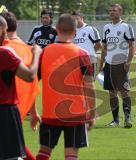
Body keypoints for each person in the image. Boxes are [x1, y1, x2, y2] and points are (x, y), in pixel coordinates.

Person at [32, 14, 96, 160]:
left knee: (43, 153)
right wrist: (92, 112)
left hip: (49, 114)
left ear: (57, 29)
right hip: (75, 114)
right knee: (71, 154)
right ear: (75, 32)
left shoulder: (45, 52)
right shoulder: (82, 54)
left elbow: (32, 83)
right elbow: (89, 86)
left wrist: (34, 111)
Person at [0, 15, 42, 160]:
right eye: (4, 31)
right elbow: (30, 76)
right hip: (5, 112)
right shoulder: (6, 53)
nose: (6, 35)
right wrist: (36, 54)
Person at [99, 3, 136, 128]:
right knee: (111, 92)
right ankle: (115, 120)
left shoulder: (126, 27)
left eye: (114, 10)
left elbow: (132, 45)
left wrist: (129, 61)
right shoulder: (106, 27)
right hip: (109, 64)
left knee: (124, 91)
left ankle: (127, 119)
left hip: (121, 64)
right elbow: (104, 47)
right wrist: (102, 62)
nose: (111, 12)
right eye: (110, 10)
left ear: (120, 12)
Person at [72, 11, 102, 78]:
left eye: (77, 19)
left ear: (82, 18)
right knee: (78, 85)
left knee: (89, 85)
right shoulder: (72, 31)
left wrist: (90, 54)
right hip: (76, 62)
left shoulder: (90, 29)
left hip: (89, 61)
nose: (75, 21)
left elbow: (99, 45)